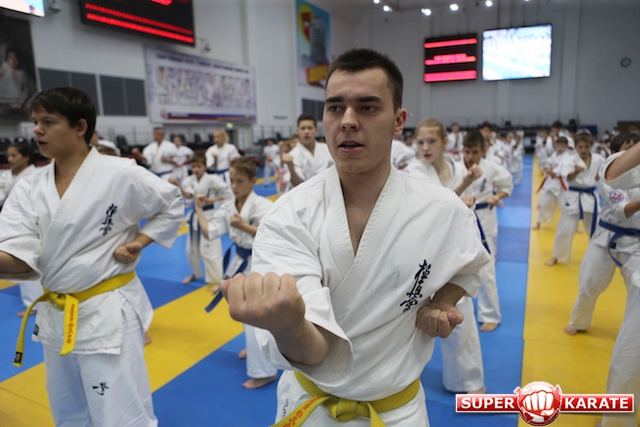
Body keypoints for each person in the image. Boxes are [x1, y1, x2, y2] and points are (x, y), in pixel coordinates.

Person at [220, 48, 490, 426]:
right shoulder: (289, 215)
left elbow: (471, 263)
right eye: (335, 108)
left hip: (397, 411)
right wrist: (288, 326)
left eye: (367, 107)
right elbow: (318, 353)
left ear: (398, 122)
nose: (347, 121)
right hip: (310, 406)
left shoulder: (442, 209)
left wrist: (442, 301)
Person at [0, 87, 183, 427]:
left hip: (107, 311)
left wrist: (140, 241)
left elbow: (171, 203)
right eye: (35, 121)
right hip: (56, 315)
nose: (37, 130)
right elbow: (18, 257)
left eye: (48, 121)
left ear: (80, 127)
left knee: (119, 414)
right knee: (69, 413)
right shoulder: (29, 187)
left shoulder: (121, 173)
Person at [405, 118, 486, 394]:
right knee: (408, 318)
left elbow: (462, 208)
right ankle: (397, 378)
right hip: (422, 251)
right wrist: (463, 187)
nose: (425, 147)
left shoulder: (457, 167)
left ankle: (468, 381)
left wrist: (467, 198)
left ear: (445, 142)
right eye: (420, 142)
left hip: (455, 251)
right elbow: (436, 206)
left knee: (459, 315)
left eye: (431, 141)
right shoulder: (414, 171)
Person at [195, 157, 277, 389]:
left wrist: (243, 227)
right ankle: (255, 348)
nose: (234, 186)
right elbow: (209, 232)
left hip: (260, 263)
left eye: (239, 181)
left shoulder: (263, 205)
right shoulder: (228, 206)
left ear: (253, 181)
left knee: (256, 315)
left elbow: (272, 235)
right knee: (243, 312)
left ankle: (264, 372)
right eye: (231, 180)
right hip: (240, 262)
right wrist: (199, 209)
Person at [564, 133, 640, 336]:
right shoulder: (610, 174)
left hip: (636, 243)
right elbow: (621, 209)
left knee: (638, 292)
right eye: (628, 149)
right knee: (589, 282)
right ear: (615, 153)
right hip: (606, 237)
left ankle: (631, 335)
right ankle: (578, 321)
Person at [597, 134, 640, 427]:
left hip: (635, 242)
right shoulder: (618, 167)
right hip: (609, 235)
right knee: (628, 362)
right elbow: (613, 176)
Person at [460, 130, 513, 332]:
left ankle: (490, 314)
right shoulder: (455, 168)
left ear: (483, 150)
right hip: (459, 219)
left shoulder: (491, 167)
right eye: (467, 151)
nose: (470, 156)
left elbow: (507, 184)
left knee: (486, 269)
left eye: (474, 152)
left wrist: (497, 197)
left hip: (484, 220)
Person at [169, 154, 231, 286]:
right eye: (193, 166)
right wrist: (177, 185)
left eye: (199, 166)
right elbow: (188, 195)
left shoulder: (212, 179)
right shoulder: (189, 180)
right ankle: (195, 273)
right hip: (195, 215)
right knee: (191, 249)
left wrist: (212, 200)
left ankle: (217, 279)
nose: (196, 169)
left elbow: (228, 193)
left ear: (205, 167)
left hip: (209, 215)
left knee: (211, 248)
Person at [546, 133, 605, 266]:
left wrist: (599, 176)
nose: (583, 150)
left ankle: (597, 258)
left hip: (590, 197)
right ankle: (556, 256)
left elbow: (603, 174)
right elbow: (567, 177)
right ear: (576, 147)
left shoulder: (598, 159)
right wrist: (576, 172)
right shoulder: (570, 160)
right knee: (565, 229)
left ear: (591, 146)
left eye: (586, 147)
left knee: (596, 230)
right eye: (580, 147)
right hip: (573, 197)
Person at [0, 141, 42, 317]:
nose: (10, 159)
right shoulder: (8, 175)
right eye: (8, 156)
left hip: (31, 223)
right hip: (11, 220)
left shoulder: (36, 175)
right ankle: (33, 302)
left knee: (27, 259)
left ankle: (36, 303)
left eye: (14, 155)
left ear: (26, 157)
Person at [532, 137, 572, 230]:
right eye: (558, 146)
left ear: (566, 146)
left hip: (562, 185)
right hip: (552, 184)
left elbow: (564, 169)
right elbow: (547, 163)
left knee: (566, 207)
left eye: (562, 146)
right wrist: (547, 168)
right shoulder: (554, 155)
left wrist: (553, 171)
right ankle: (538, 223)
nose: (560, 148)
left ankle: (574, 226)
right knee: (546, 204)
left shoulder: (568, 158)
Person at [284, 114, 334, 186]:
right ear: (298, 131)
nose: (306, 131)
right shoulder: (292, 155)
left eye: (310, 128)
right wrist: (291, 167)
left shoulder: (327, 149)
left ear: (316, 130)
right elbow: (297, 185)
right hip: (304, 192)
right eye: (303, 128)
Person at [0, 47, 36, 115]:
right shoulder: (3, 71)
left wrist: (27, 105)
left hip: (20, 111)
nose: (13, 61)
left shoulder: (25, 76)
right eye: (10, 58)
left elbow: (34, 92)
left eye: (15, 58)